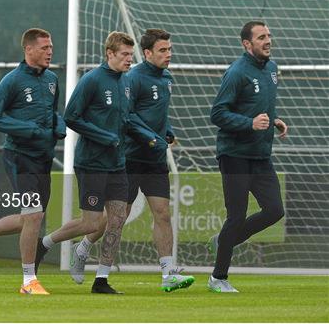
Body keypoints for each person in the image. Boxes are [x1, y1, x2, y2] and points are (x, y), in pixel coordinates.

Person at [67, 29, 195, 292]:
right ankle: (83, 246)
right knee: (116, 217)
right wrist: (149, 136)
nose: (168, 54)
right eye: (163, 50)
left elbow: (158, 113)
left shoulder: (167, 78)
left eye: (170, 49)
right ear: (147, 53)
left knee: (162, 213)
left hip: (155, 159)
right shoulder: (132, 78)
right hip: (130, 157)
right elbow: (129, 116)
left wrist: (166, 131)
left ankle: (168, 273)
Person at [35, 31, 159, 294]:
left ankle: (101, 279)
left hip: (117, 163)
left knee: (116, 220)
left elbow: (128, 119)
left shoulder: (126, 83)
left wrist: (151, 136)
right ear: (110, 54)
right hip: (91, 162)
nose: (129, 60)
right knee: (91, 223)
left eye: (131, 55)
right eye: (124, 55)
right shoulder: (92, 80)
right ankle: (45, 243)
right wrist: (104, 137)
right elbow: (71, 116)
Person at [0, 28, 66, 295]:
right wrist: (27, 129)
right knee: (33, 216)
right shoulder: (13, 80)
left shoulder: (52, 79)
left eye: (51, 47)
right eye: (44, 47)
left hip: (43, 158)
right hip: (20, 158)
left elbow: (53, 112)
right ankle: (28, 281)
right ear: (28, 50)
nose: (50, 51)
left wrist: (59, 124)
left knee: (32, 218)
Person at [208, 21, 287, 293]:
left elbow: (259, 107)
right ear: (247, 44)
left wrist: (274, 121)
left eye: (269, 36)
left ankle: (223, 240)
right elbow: (217, 114)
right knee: (236, 216)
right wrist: (249, 123)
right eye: (261, 37)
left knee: (275, 210)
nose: (268, 41)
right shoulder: (237, 72)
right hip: (235, 155)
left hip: (261, 156)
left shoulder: (273, 69)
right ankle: (218, 277)